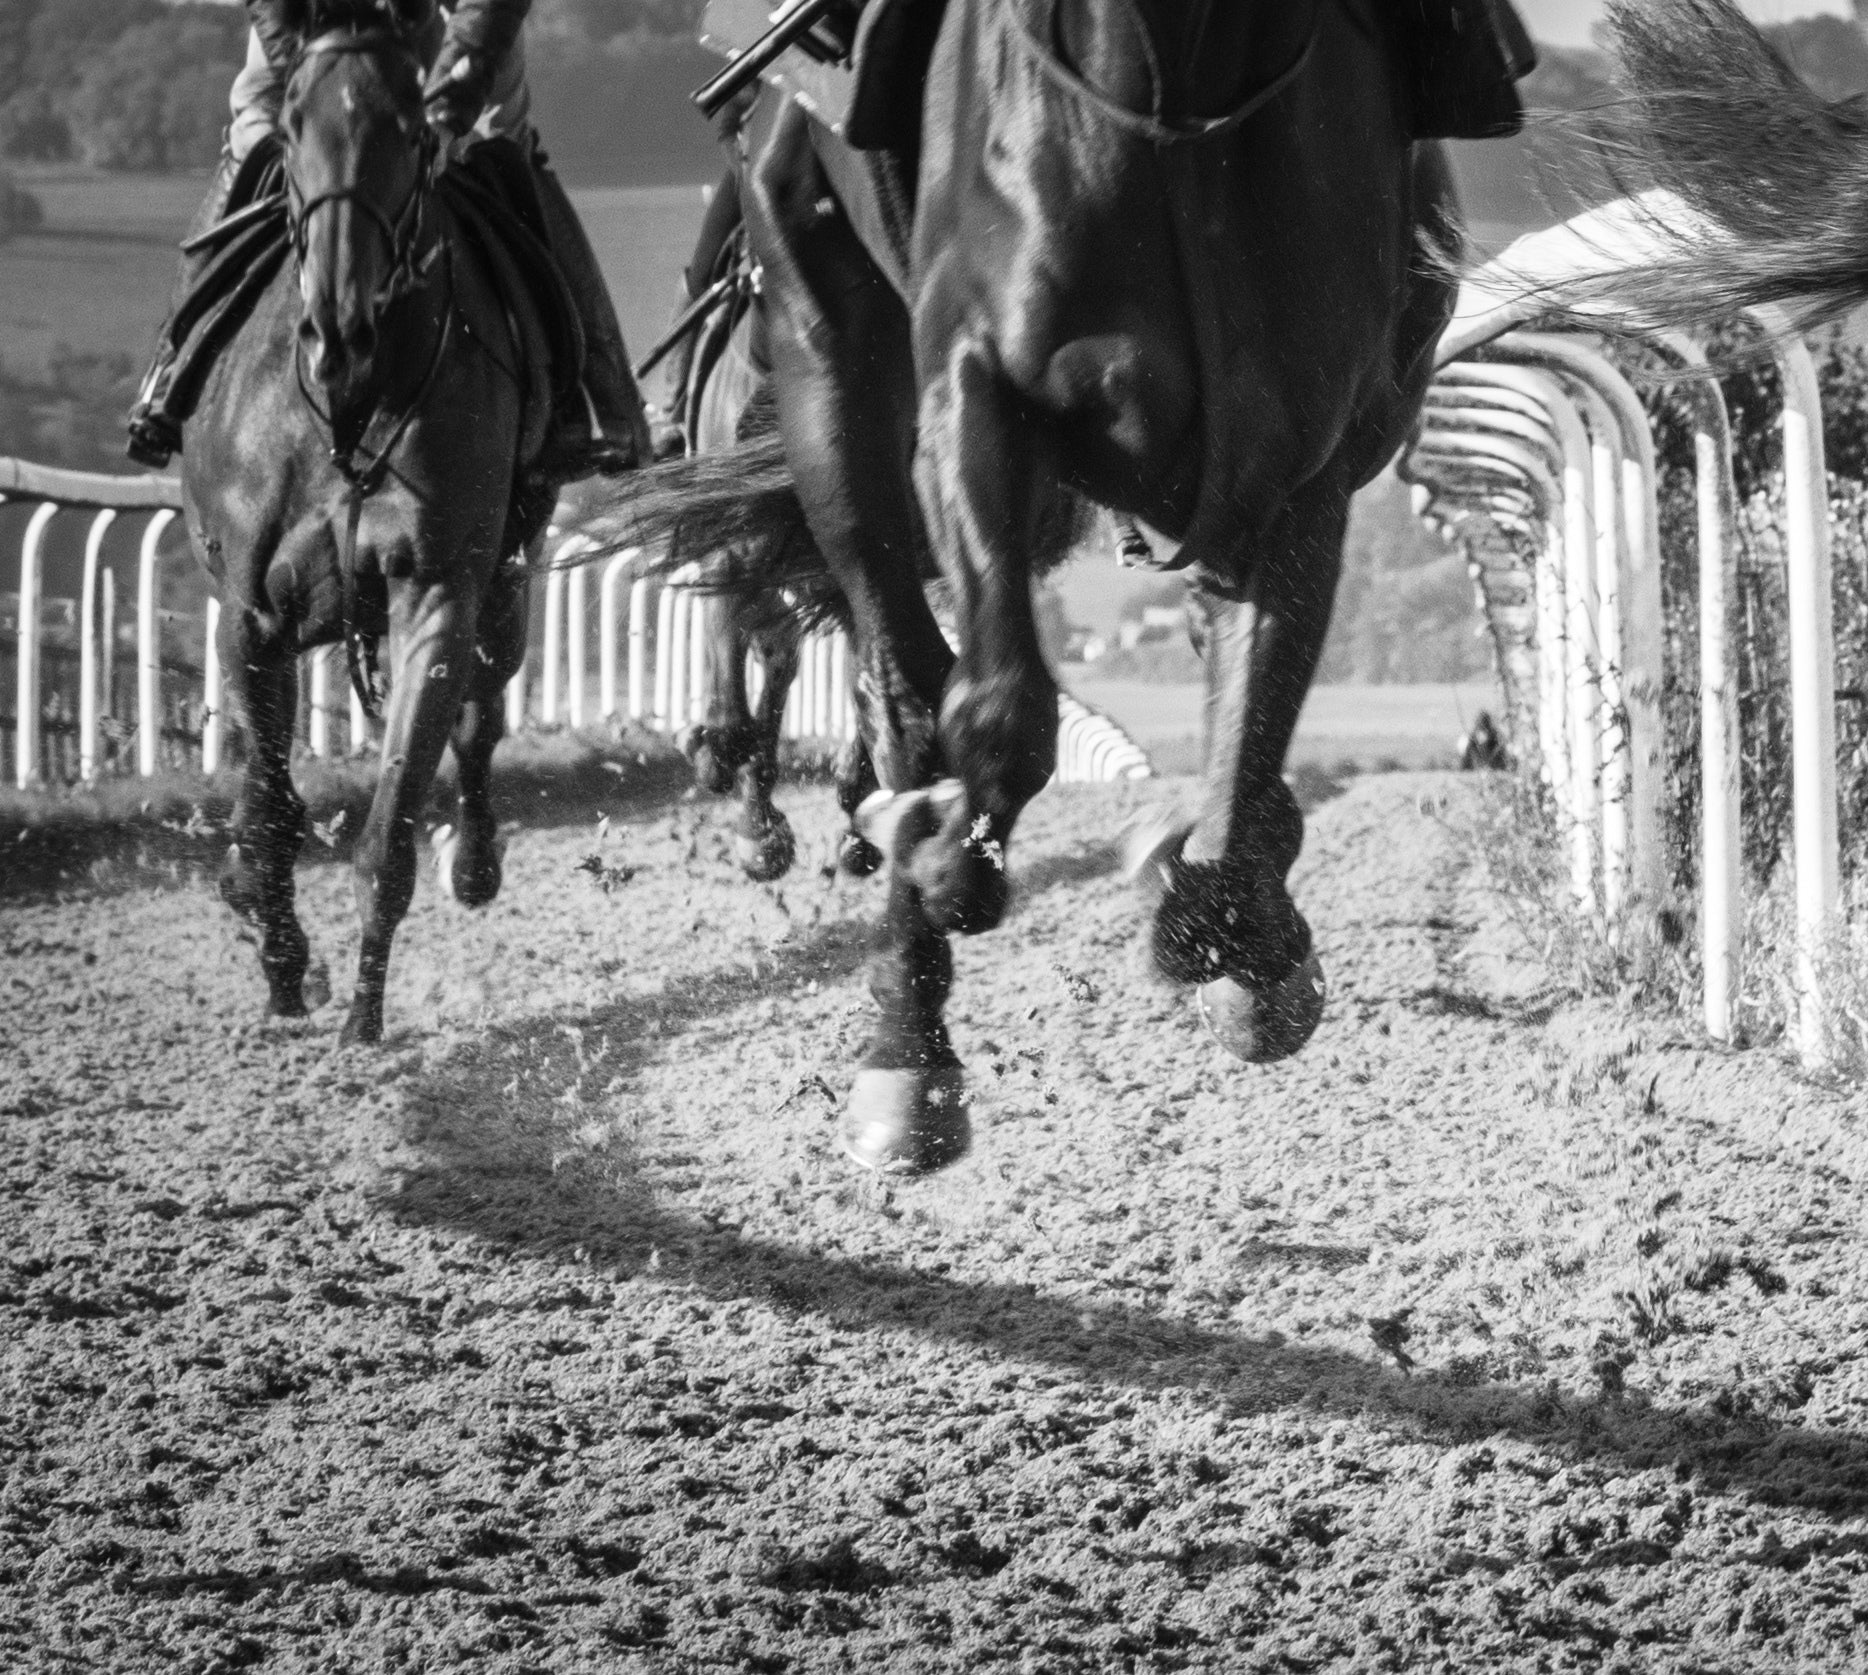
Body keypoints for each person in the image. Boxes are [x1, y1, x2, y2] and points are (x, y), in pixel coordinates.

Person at [127, 0, 647, 479]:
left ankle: (607, 409)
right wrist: (306, 77)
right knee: (253, 135)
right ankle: (170, 372)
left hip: (447, 23)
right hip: (312, 27)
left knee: (499, 140)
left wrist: (447, 113)